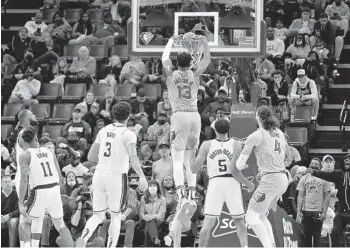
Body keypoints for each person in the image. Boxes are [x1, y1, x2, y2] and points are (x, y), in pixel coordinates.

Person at [76, 102, 148, 248]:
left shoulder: (103, 130)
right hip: (116, 176)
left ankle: (82, 240)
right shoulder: (128, 134)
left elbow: (91, 156)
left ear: (113, 115)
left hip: (99, 173)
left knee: (97, 215)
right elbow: (133, 157)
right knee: (116, 216)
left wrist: (105, 160)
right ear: (129, 115)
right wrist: (142, 176)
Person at [190, 119, 254, 248]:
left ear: (214, 130)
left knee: (208, 223)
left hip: (215, 182)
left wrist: (192, 150)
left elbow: (193, 169)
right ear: (229, 129)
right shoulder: (236, 144)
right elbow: (235, 171)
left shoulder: (206, 145)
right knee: (239, 220)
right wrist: (248, 183)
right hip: (231, 182)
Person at [161, 33, 210, 203]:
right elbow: (206, 61)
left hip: (179, 116)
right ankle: (191, 191)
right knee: (190, 156)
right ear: (190, 63)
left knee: (177, 157)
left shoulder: (170, 73)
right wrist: (204, 42)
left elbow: (164, 57)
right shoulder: (195, 73)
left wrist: (171, 40)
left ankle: (180, 191)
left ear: (176, 63)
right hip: (194, 116)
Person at [235, 105, 291, 248]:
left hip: (271, 179)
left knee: (250, 216)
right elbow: (288, 159)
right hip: (282, 177)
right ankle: (271, 245)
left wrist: (241, 162)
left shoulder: (257, 135)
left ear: (257, 117)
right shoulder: (279, 132)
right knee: (260, 215)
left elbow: (240, 165)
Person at [17, 127, 74, 248]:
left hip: (39, 190)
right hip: (54, 189)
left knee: (24, 220)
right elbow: (60, 177)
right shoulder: (49, 151)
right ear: (36, 139)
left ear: (23, 141)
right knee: (60, 224)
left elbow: (23, 180)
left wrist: (21, 203)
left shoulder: (24, 155)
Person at [14, 109, 39, 248]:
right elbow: (33, 153)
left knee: (31, 213)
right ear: (26, 120)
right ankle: (25, 245)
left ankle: (27, 244)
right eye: (33, 115)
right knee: (25, 213)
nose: (35, 116)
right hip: (25, 177)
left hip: (30, 176)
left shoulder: (29, 133)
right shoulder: (24, 134)